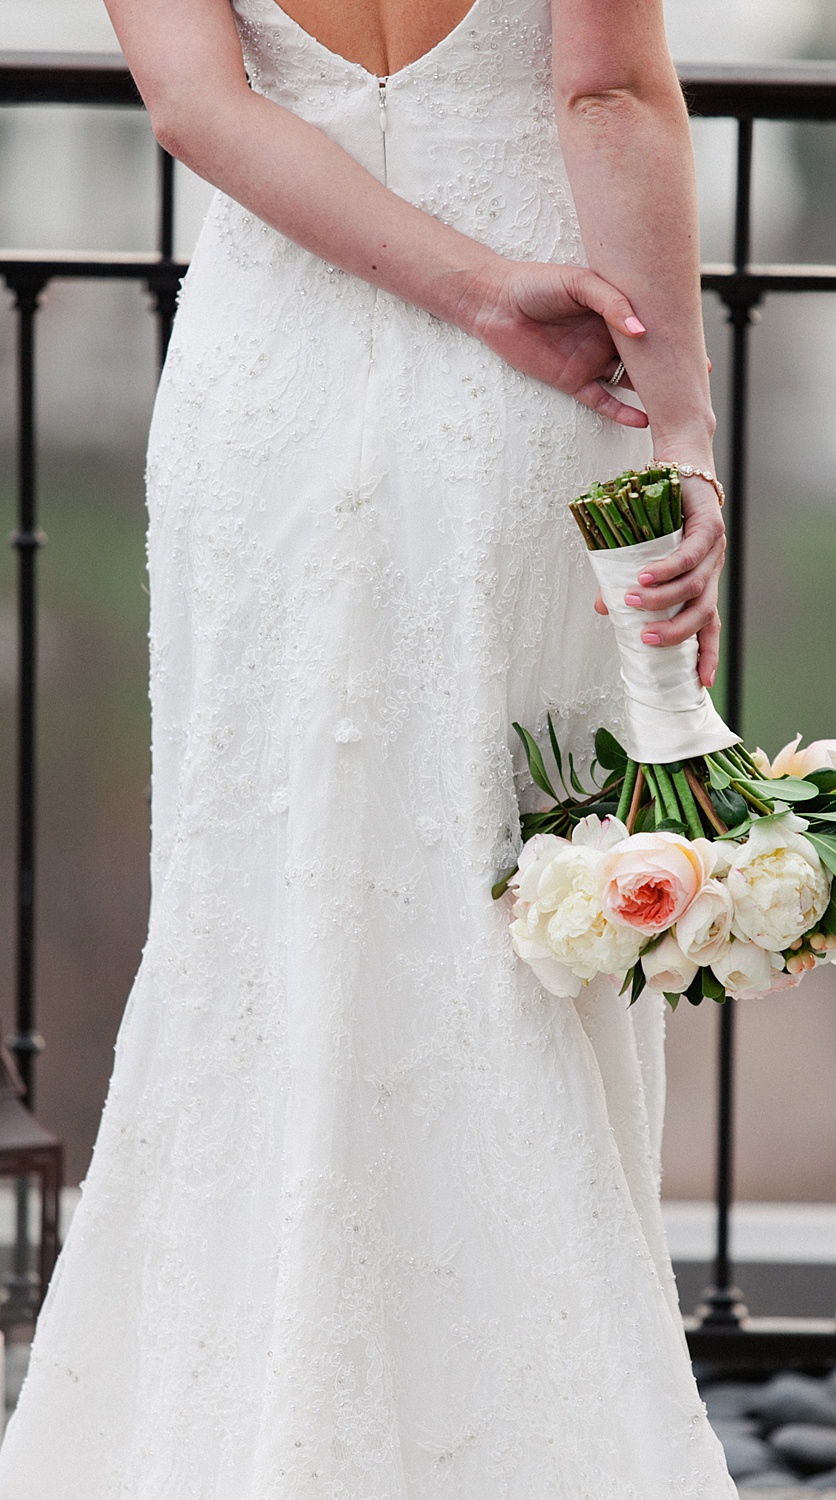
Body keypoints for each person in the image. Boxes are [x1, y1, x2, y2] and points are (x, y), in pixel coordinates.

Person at [0, 0, 735, 1494]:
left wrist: (469, 292)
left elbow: (202, 110)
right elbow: (607, 99)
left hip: (277, 371)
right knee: (517, 898)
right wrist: (683, 431)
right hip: (542, 388)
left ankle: (225, 1413)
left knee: (259, 894)